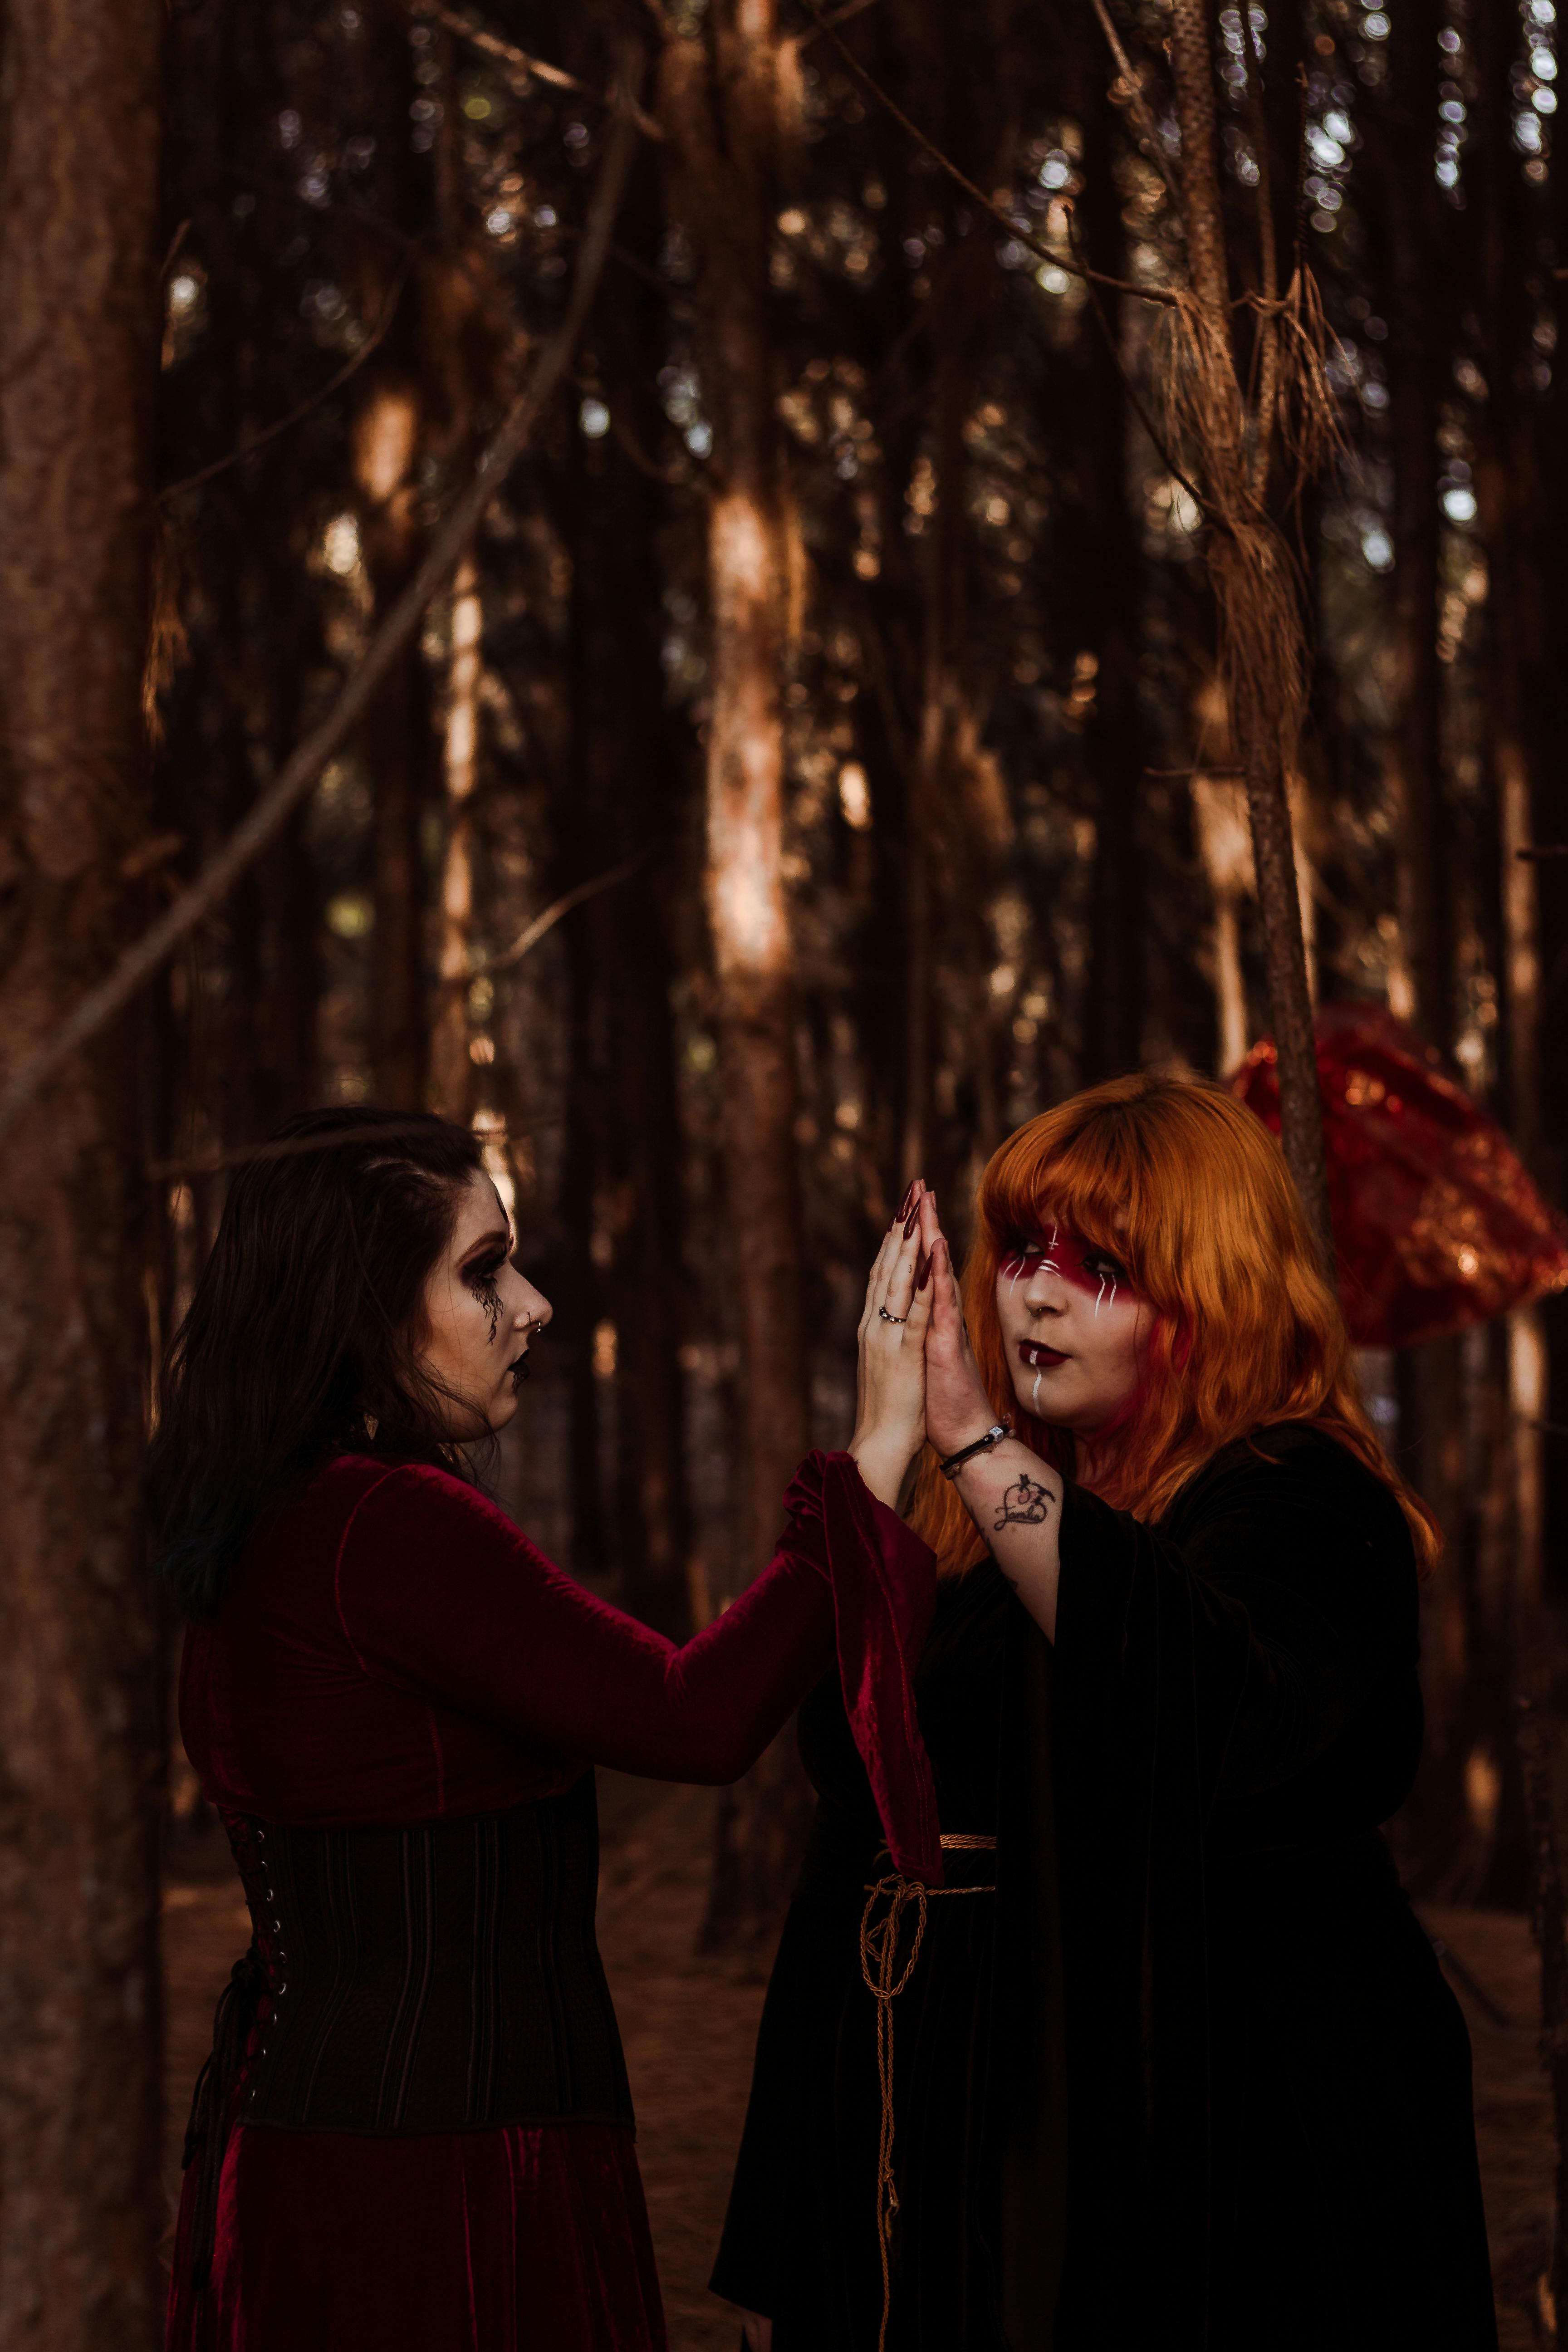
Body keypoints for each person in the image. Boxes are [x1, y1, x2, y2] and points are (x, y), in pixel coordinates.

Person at [716, 1073, 1497, 2352]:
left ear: (1213, 1293)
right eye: (1022, 1249)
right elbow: (850, 1838)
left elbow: (1211, 1719)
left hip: (1242, 2174)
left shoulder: (1302, 1501)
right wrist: (793, 2230)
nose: (1037, 1291)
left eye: (1104, 1267)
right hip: (965, 2161)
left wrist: (973, 1441)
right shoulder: (969, 1532)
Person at [154, 1107, 942, 2352]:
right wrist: (879, 1456)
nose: (533, 1305)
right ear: (359, 1305)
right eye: (482, 1272)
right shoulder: (385, 1526)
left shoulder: (276, 1518)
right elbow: (697, 1717)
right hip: (446, 2189)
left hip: (319, 2153)